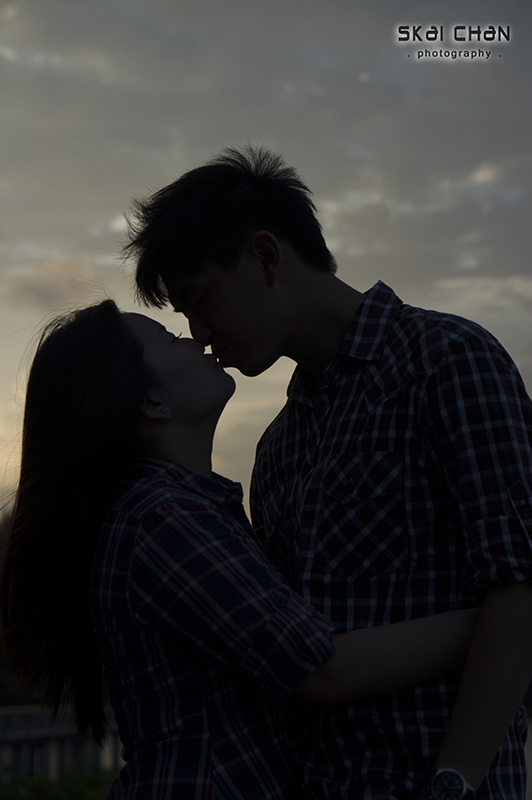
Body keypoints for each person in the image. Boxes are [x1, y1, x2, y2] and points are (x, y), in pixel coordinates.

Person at [125, 145, 532, 800]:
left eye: (201, 301)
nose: (199, 334)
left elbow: (518, 584)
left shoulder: (450, 362)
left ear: (265, 257)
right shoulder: (276, 449)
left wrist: (455, 782)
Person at [0, 300, 479, 800]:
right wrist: (496, 621)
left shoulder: (183, 508)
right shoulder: (160, 519)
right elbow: (322, 669)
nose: (194, 339)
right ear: (153, 402)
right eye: (169, 339)